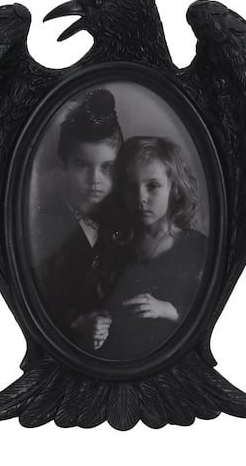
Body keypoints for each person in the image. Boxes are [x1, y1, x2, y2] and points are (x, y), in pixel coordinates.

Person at [95, 136, 209, 360]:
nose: (141, 198)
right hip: (120, 357)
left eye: (153, 186)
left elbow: (207, 314)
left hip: (172, 359)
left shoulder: (197, 248)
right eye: (131, 187)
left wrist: (167, 309)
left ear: (175, 189)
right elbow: (103, 303)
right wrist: (100, 324)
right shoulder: (115, 246)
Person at [34, 88, 123, 351]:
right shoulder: (45, 226)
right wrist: (75, 321)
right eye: (82, 165)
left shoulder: (119, 220)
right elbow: (40, 297)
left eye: (107, 167)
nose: (95, 180)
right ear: (65, 165)